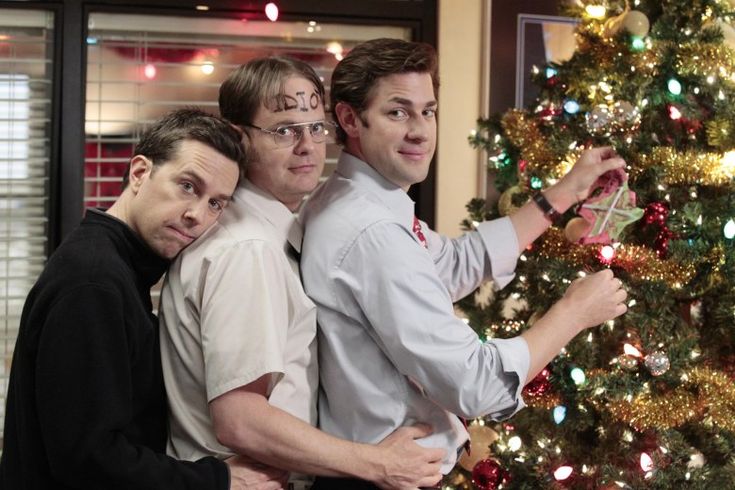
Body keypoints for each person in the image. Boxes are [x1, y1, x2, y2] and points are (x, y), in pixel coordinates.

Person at [299, 38, 629, 488]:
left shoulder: (363, 202)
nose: (420, 131)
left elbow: (454, 262)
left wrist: (566, 192)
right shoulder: (371, 233)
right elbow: (476, 385)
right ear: (349, 118)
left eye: (428, 111)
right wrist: (574, 312)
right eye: (398, 112)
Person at [158, 57, 444, 490]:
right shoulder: (248, 250)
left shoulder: (278, 231)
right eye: (285, 130)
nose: (308, 146)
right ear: (239, 138)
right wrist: (375, 463)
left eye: (316, 128)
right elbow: (240, 420)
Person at [0, 108, 275, 489]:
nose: (197, 214)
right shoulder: (94, 282)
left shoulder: (117, 268)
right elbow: (88, 460)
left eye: (216, 203)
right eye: (188, 186)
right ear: (140, 172)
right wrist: (220, 479)